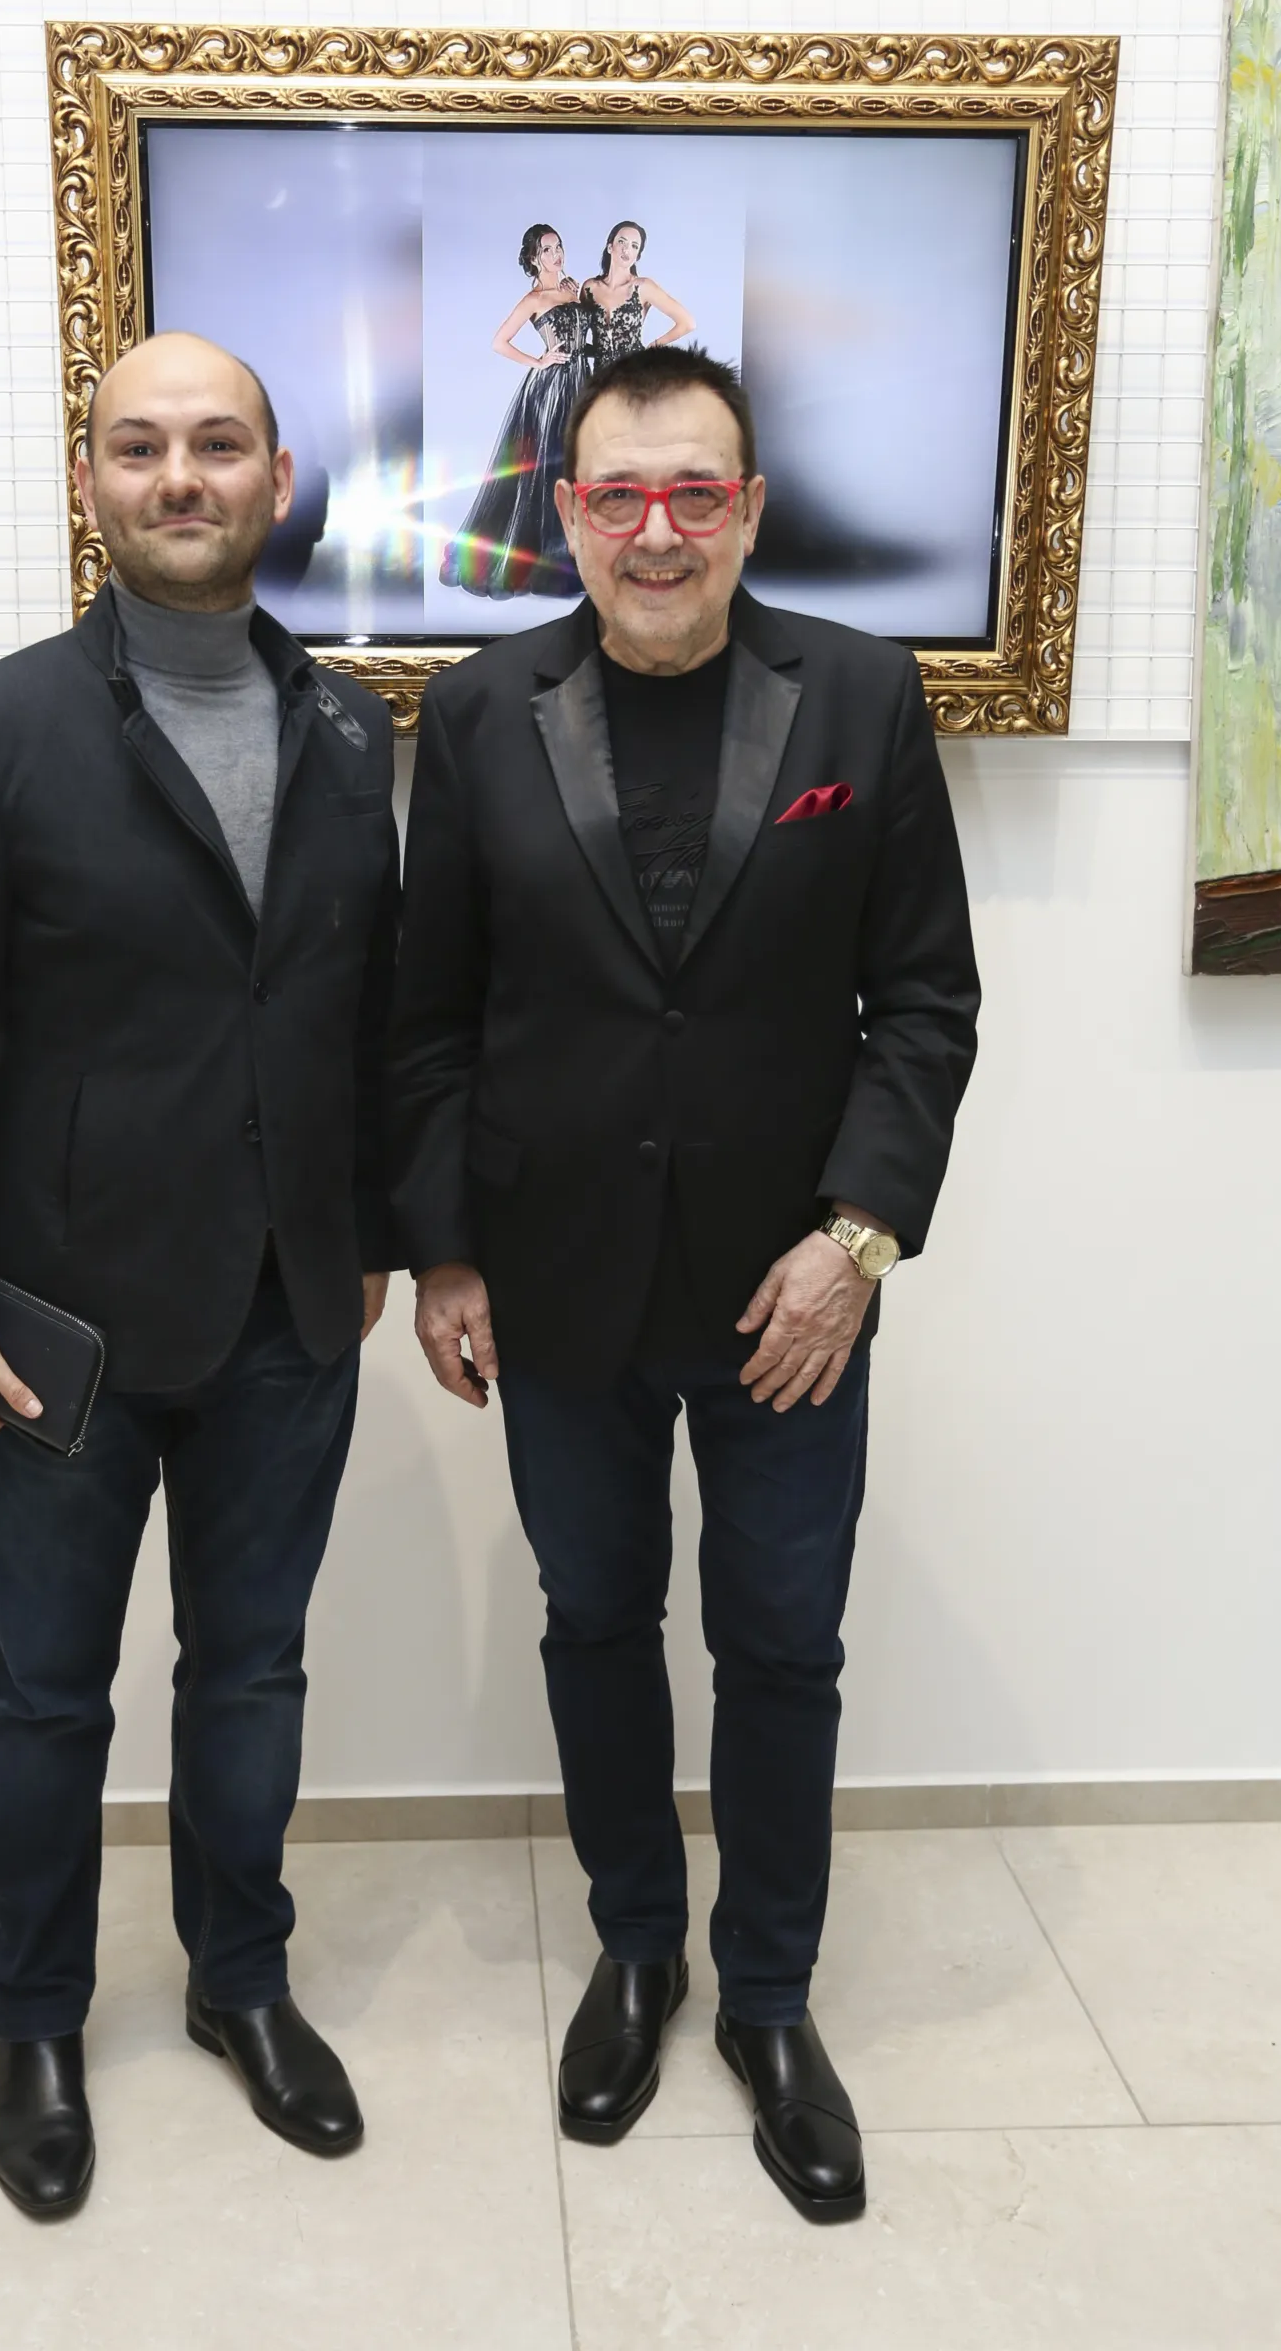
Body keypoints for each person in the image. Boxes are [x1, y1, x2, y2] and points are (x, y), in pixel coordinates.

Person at [389, 343, 978, 2223]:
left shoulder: (860, 696)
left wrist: (854, 1242)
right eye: (620, 495)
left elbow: (924, 1007)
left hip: (793, 1295)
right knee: (593, 1623)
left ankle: (771, 2000)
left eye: (695, 493)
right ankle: (636, 1950)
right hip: (553, 1283)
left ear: (747, 509)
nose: (658, 531)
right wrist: (444, 1249)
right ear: (565, 512)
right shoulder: (476, 711)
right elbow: (429, 1018)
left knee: (783, 1645)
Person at [0, 331, 397, 2219]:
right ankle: (34, 2019)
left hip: (287, 1316)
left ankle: (238, 1982)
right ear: (91, 479)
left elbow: (359, 1020)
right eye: (140, 445)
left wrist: (372, 1238)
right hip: (57, 1330)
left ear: (275, 479)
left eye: (218, 443)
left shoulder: (350, 732)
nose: (181, 476)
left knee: (251, 1674)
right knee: (45, 1698)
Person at [441, 222, 592, 599]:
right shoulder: (533, 299)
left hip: (582, 382)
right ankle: (546, 556)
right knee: (547, 468)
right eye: (547, 250)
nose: (556, 255)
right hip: (551, 391)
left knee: (580, 463)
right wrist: (538, 361)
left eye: (558, 246)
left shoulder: (573, 288)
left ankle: (581, 550)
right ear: (533, 259)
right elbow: (499, 342)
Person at [581, 220, 694, 370]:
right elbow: (576, 331)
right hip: (601, 375)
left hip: (634, 373)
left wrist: (653, 347)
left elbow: (687, 323)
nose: (626, 249)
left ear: (637, 256)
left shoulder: (643, 287)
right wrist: (566, 292)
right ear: (610, 247)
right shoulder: (590, 288)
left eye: (634, 246)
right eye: (622, 242)